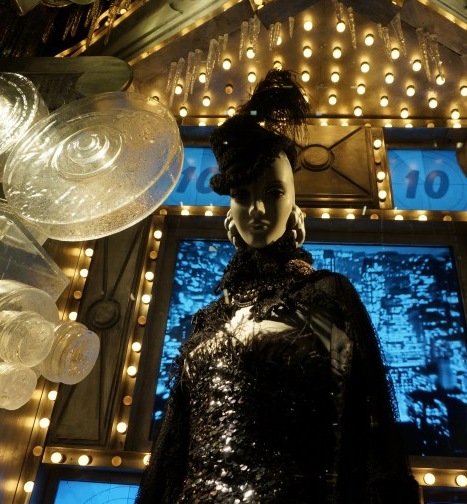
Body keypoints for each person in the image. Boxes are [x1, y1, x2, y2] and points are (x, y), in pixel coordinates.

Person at [137, 69, 419, 503]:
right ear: (229, 210)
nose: (257, 209)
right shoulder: (208, 319)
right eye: (242, 195)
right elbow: (175, 447)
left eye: (273, 192)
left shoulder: (325, 296)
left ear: (294, 205)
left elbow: (364, 425)